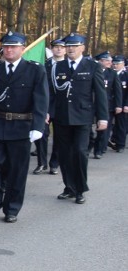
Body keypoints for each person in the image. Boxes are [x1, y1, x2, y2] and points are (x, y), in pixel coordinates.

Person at [0, 32, 48, 222]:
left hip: (21, 126)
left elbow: (41, 100)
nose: (9, 50)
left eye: (14, 46)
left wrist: (37, 126)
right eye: (6, 47)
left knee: (17, 171)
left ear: (22, 48)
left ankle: (11, 209)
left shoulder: (35, 70)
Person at [48, 33, 107, 204]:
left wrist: (102, 117)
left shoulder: (92, 66)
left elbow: (100, 94)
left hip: (83, 117)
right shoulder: (57, 67)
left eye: (74, 46)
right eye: (68, 46)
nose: (71, 49)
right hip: (61, 117)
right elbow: (52, 93)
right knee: (64, 154)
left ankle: (80, 188)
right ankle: (69, 187)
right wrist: (48, 112)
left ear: (83, 47)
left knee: (80, 152)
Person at [34, 38, 65, 174]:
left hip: (61, 107)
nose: (58, 49)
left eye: (61, 47)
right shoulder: (44, 66)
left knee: (59, 136)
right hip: (45, 105)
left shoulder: (68, 67)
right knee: (41, 133)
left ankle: (54, 163)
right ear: (51, 49)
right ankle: (42, 163)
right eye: (56, 47)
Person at [90, 52, 122, 159]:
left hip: (105, 105)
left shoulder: (112, 73)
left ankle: (99, 150)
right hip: (90, 104)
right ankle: (88, 147)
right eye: (107, 60)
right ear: (100, 61)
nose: (110, 63)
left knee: (103, 129)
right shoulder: (91, 70)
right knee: (87, 128)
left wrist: (118, 105)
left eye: (110, 60)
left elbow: (117, 90)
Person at [110, 55, 128, 152]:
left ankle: (120, 144)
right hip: (110, 103)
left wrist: (126, 104)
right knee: (107, 124)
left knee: (121, 125)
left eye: (118, 64)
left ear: (123, 64)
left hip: (122, 104)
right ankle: (106, 142)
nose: (115, 65)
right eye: (114, 63)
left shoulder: (126, 75)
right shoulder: (110, 74)